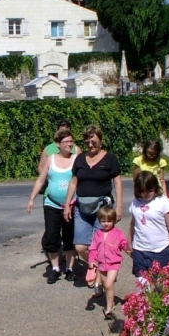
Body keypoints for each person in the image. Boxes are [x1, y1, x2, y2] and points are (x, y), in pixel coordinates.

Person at [62, 125, 123, 297]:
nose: (90, 144)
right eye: (87, 141)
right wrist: (67, 204)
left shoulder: (110, 159)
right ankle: (98, 267)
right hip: (82, 209)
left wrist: (118, 207)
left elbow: (117, 182)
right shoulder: (80, 159)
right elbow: (73, 182)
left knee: (101, 245)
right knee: (80, 246)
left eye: (93, 141)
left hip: (102, 209)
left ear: (100, 140)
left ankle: (100, 279)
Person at [27, 128, 78, 284]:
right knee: (51, 237)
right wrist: (31, 198)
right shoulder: (51, 159)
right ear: (58, 144)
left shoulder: (77, 159)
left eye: (71, 141)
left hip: (71, 205)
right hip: (52, 204)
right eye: (66, 142)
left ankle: (69, 269)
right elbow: (41, 180)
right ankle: (55, 268)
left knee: (69, 238)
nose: (70, 144)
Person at [128, 171, 169, 283]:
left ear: (155, 188)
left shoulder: (163, 202)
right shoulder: (135, 202)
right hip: (139, 249)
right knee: (142, 284)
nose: (145, 194)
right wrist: (129, 241)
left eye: (149, 190)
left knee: (161, 284)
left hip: (159, 250)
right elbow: (133, 223)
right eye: (142, 191)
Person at [88, 205, 130, 319]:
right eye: (103, 221)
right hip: (102, 264)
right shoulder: (98, 234)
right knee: (108, 287)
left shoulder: (118, 233)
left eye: (109, 221)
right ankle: (110, 303)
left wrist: (128, 250)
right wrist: (92, 260)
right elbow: (93, 248)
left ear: (114, 221)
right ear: (99, 221)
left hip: (114, 263)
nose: (106, 223)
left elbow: (124, 244)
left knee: (108, 284)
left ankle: (109, 309)